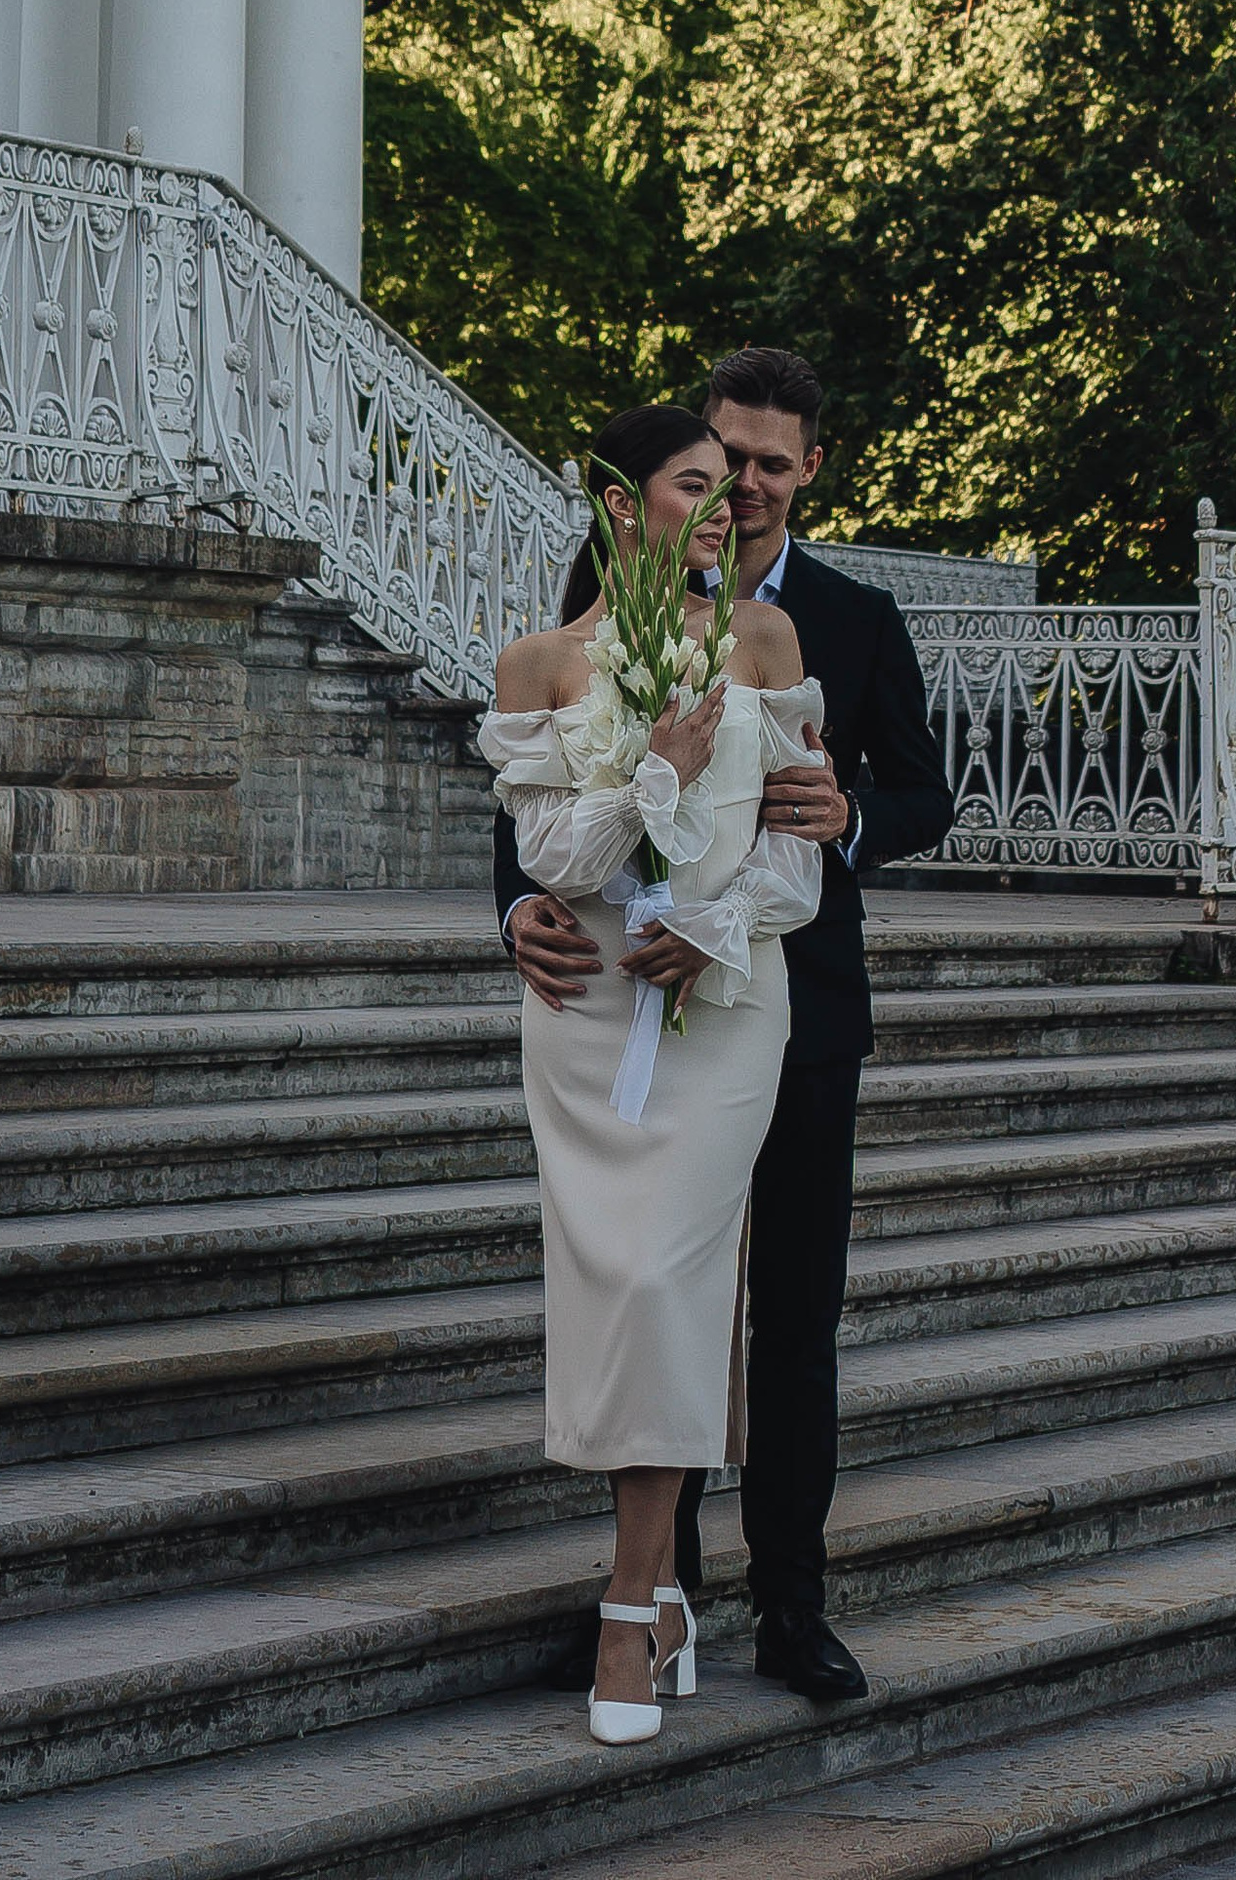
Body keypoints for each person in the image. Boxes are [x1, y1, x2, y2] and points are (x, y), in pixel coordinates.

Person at [499, 343, 956, 1702]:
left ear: (809, 471)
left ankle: (792, 1605)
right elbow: (529, 811)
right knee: (661, 1296)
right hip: (618, 999)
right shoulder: (589, 613)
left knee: (791, 1316)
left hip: (792, 1012)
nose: (745, 483)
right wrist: (508, 913)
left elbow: (923, 791)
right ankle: (657, 1586)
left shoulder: (849, 616)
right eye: (724, 455)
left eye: (769, 462)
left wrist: (850, 819)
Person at [478, 403, 827, 1744]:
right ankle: (666, 1599)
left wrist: (717, 924)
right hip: (585, 1001)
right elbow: (553, 863)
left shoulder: (763, 640)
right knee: (616, 1281)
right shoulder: (537, 663)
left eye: (739, 480)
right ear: (626, 508)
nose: (732, 497)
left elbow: (796, 842)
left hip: (729, 998)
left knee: (674, 1272)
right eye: (701, 481)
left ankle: (635, 1605)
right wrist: (656, 775)